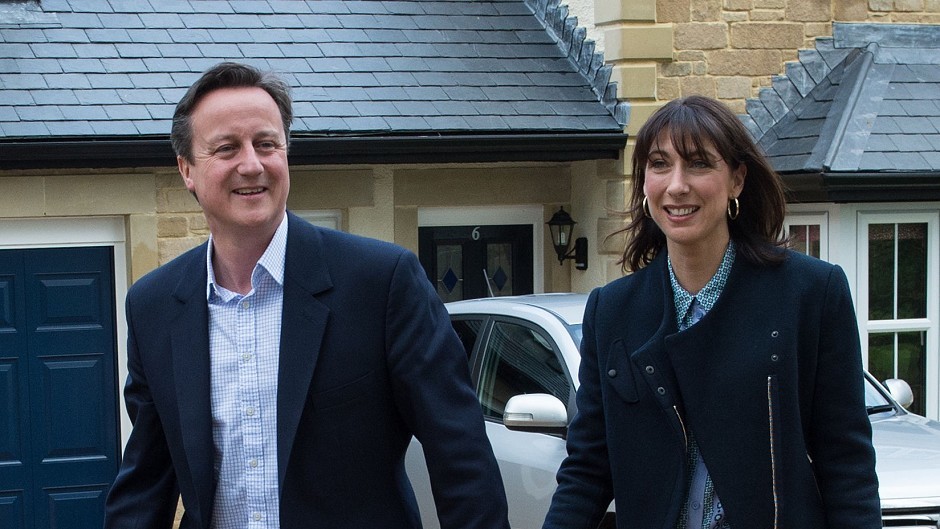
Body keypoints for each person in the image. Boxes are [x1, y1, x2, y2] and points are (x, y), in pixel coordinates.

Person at [103, 62, 510, 529]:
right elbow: (145, 482)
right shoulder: (154, 306)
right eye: (227, 148)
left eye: (267, 143)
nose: (252, 164)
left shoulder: (381, 283)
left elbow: (461, 459)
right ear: (187, 170)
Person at [542, 95, 881, 529]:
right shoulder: (612, 311)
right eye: (660, 164)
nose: (677, 185)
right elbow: (587, 469)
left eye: (699, 164)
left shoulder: (812, 293)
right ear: (644, 181)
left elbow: (846, 464)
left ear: (737, 179)